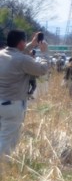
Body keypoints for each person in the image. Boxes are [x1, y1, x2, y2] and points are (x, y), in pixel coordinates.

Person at [0, 30, 51, 159]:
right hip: (13, 104)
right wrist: (44, 54)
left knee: (3, 135)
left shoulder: (2, 55)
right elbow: (42, 70)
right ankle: (3, 168)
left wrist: (31, 44)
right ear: (21, 42)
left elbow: (15, 54)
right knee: (8, 139)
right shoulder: (23, 60)